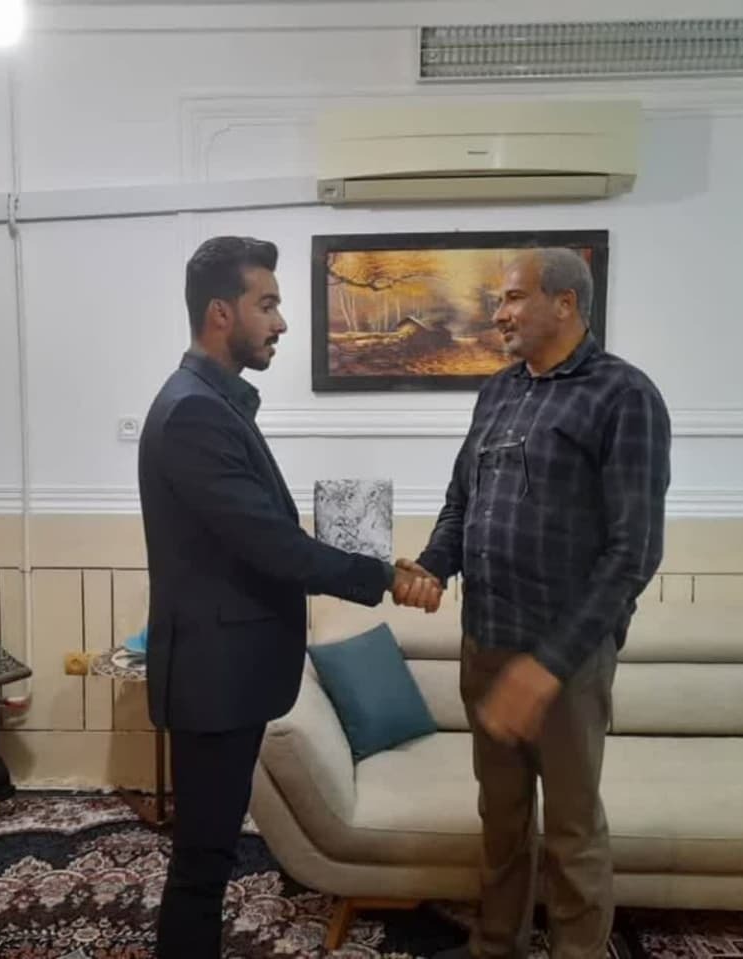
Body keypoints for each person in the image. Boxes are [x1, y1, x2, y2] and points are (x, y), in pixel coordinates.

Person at [138, 235, 442, 959]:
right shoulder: (194, 413)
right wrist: (384, 577)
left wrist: (378, 566)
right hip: (212, 677)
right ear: (221, 313)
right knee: (202, 865)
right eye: (267, 304)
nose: (281, 322)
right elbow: (272, 545)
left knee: (209, 856)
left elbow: (264, 537)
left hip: (224, 673)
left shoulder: (214, 403)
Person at [404, 248, 671, 959]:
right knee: (501, 819)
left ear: (566, 302)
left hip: (566, 663)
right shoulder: (498, 391)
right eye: (500, 299)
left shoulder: (625, 396)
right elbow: (462, 500)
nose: (498, 313)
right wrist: (433, 564)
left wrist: (549, 665)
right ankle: (497, 946)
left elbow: (634, 552)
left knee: (572, 832)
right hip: (486, 642)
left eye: (513, 297)